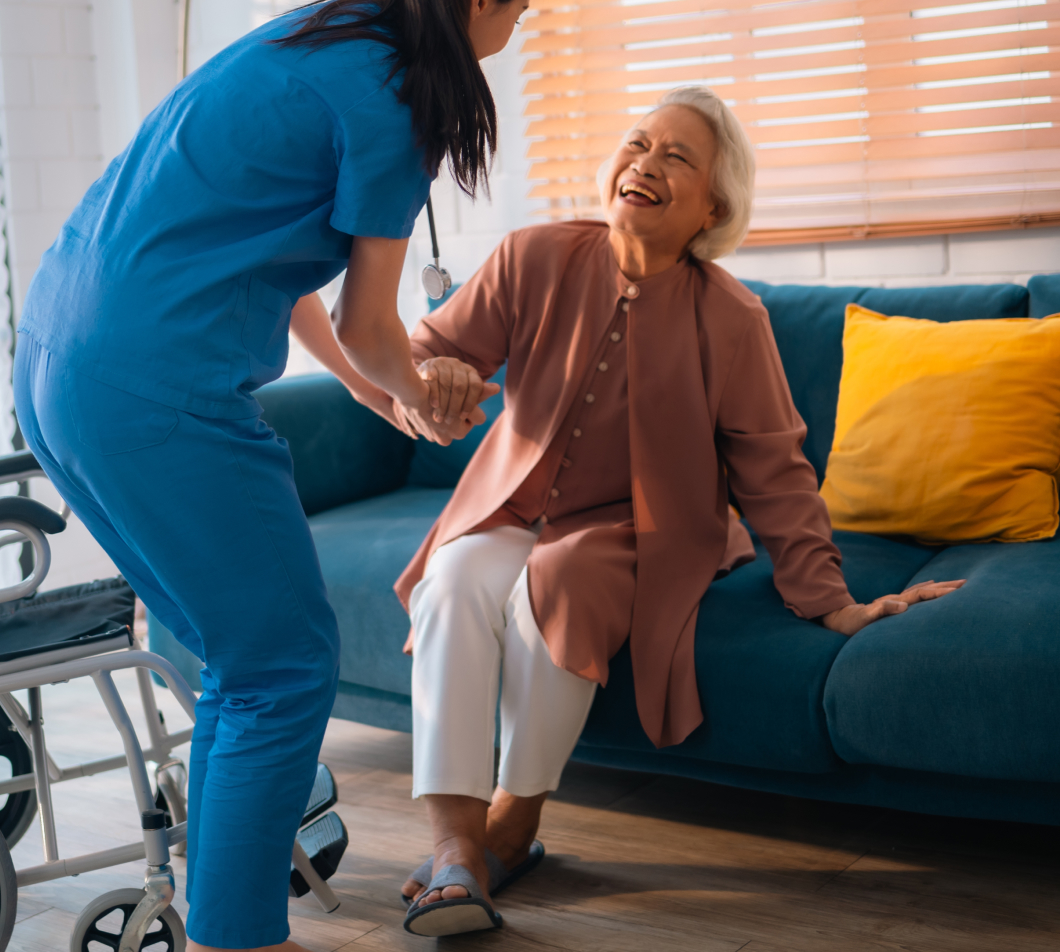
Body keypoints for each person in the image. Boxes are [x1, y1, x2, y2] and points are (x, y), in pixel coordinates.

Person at [13, 0, 542, 952]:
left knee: (234, 661)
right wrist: (424, 395)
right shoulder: (401, 97)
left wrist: (363, 386)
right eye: (517, 10)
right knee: (283, 664)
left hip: (58, 362)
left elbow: (277, 259)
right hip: (156, 385)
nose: (511, 32)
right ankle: (240, 936)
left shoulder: (316, 37)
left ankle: (226, 921)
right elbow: (375, 324)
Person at [391, 86, 965, 938]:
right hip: (509, 503)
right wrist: (428, 379)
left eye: (677, 158)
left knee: (559, 578)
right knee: (453, 580)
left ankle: (514, 822)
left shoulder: (733, 318)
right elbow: (426, 352)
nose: (647, 164)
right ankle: (454, 849)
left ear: (712, 206)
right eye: (637, 143)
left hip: (634, 529)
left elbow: (775, 469)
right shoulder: (532, 256)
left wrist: (830, 599)